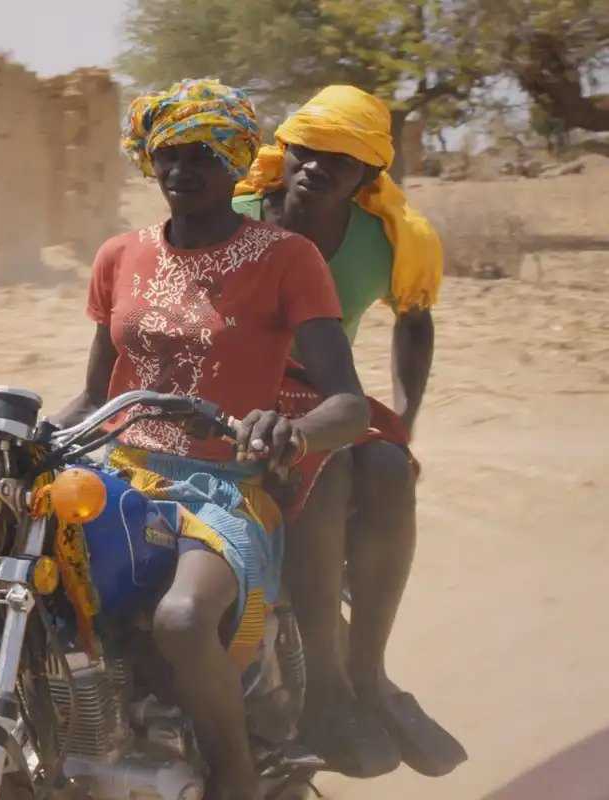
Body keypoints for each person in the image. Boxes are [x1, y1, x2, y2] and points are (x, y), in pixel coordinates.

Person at [51, 79, 370, 800]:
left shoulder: (286, 257)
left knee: (184, 618)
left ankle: (235, 777)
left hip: (225, 487)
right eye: (168, 153)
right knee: (13, 588)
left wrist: (291, 432)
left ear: (236, 162)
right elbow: (96, 395)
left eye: (201, 154)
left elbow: (349, 406)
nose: (179, 169)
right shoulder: (118, 255)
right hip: (118, 477)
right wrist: (27, 438)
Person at [232, 86, 465, 778]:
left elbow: (414, 321)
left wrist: (405, 421)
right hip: (238, 396)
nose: (315, 167)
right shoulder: (237, 216)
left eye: (339, 160)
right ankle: (325, 687)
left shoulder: (389, 239)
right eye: (306, 150)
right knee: (328, 473)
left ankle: (370, 672)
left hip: (323, 394)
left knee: (389, 468)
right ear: (285, 148)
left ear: (368, 174)